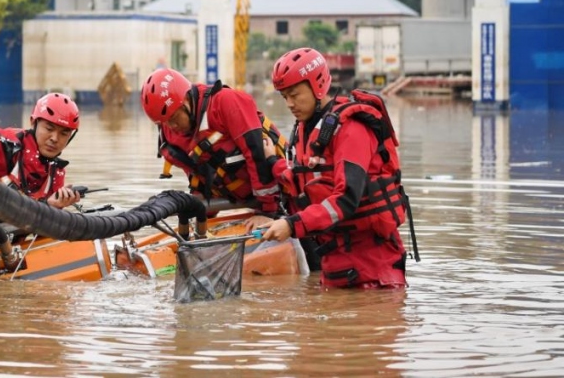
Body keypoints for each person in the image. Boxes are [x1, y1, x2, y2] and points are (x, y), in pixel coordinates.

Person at [260, 47, 410, 289]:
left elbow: (346, 199)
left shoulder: (352, 129)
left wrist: (291, 224)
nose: (289, 104)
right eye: (284, 96)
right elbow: (300, 179)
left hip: (373, 271)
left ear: (317, 85)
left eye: (294, 95)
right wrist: (272, 162)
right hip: (335, 265)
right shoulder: (306, 129)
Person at [140, 67, 286, 238]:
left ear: (186, 101)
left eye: (173, 118)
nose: (172, 127)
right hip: (235, 197)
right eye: (164, 123)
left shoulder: (225, 103)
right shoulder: (171, 133)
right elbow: (196, 175)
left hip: (280, 192)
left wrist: (267, 211)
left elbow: (256, 154)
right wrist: (201, 215)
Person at [0, 92, 83, 210]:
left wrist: (52, 206)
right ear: (33, 122)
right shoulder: (9, 144)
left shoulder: (56, 172)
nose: (55, 138)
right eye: (49, 129)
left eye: (64, 133)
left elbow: (36, 221)